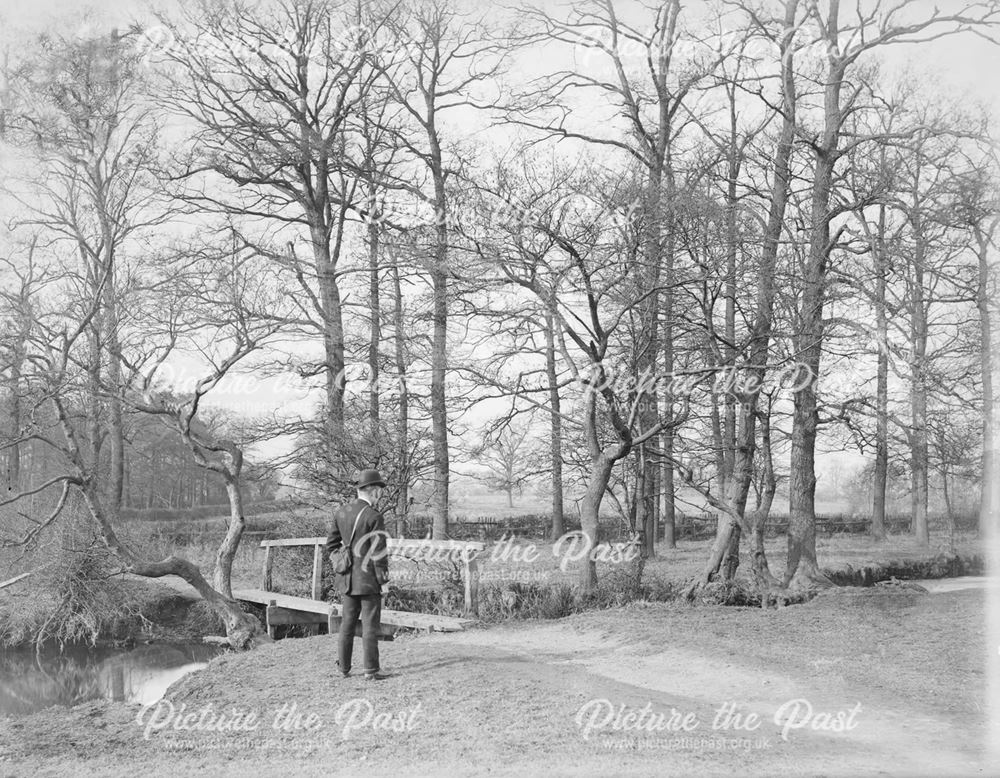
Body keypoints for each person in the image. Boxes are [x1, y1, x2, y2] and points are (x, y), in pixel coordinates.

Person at [325, 469, 390, 681]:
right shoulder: (374, 516)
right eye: (379, 489)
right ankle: (371, 670)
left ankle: (343, 668)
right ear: (372, 491)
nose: (380, 494)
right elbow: (379, 553)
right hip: (369, 580)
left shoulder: (341, 512)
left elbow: (331, 545)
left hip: (346, 580)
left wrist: (343, 560)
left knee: (347, 624)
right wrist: (384, 581)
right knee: (370, 626)